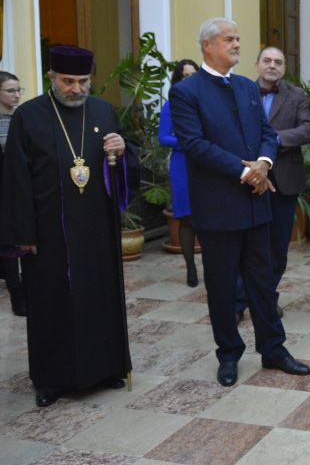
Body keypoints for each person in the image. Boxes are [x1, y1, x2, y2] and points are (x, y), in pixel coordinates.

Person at [169, 18, 310, 387]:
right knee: (221, 285)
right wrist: (245, 171)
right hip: (218, 207)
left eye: (237, 39)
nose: (236, 44)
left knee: (262, 281)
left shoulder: (247, 86)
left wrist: (264, 164)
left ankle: (274, 349)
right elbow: (195, 145)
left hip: (256, 203)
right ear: (207, 46)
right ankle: (229, 354)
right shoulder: (186, 92)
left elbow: (266, 132)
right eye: (228, 39)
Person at [0, 46, 135, 407]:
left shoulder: (103, 111)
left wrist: (122, 151)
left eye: (83, 81)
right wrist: (23, 233)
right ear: (51, 77)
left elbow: (122, 167)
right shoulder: (29, 116)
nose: (76, 89)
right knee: (51, 303)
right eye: (68, 81)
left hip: (96, 228)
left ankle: (106, 368)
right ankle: (52, 379)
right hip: (48, 232)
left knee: (98, 297)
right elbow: (15, 178)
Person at [254, 46, 310, 312]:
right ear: (257, 65)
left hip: (284, 179)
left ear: (284, 68)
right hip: (248, 177)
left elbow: (308, 129)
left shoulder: (296, 95)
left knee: (278, 246)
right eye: (267, 61)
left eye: (278, 62)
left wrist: (275, 139)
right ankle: (241, 300)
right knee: (248, 244)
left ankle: (268, 298)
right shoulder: (242, 92)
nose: (272, 65)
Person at [158, 59, 200, 287]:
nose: (190, 79)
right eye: (186, 75)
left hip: (207, 164)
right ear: (178, 79)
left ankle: (214, 267)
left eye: (194, 75)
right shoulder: (172, 105)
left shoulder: (206, 101)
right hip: (182, 164)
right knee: (187, 218)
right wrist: (190, 143)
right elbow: (163, 137)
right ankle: (191, 268)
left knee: (209, 215)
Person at [0, 71, 26, 315]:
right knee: (6, 245)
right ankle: (17, 295)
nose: (17, 95)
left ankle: (27, 293)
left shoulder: (23, 119)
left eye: (19, 90)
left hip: (22, 190)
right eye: (11, 90)